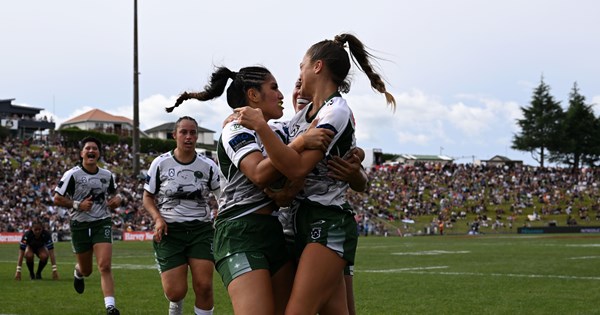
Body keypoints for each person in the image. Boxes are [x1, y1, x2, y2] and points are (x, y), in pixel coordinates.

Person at [235, 33, 395, 314]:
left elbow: (296, 167)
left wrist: (260, 126)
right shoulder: (305, 114)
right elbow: (275, 140)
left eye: (301, 67)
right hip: (301, 221)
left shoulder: (336, 112)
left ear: (317, 67)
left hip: (327, 218)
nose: (298, 75)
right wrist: (239, 122)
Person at [167, 65, 333, 315]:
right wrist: (300, 143)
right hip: (239, 231)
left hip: (273, 230)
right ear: (253, 95)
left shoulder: (278, 131)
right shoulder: (235, 129)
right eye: (274, 87)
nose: (281, 94)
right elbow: (259, 173)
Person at [142, 116, 220, 315]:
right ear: (174, 135)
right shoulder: (160, 163)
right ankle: (175, 305)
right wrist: (158, 219)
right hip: (170, 231)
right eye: (183, 132)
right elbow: (148, 197)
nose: (188, 137)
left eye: (193, 132)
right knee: (175, 292)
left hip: (200, 230)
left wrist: (221, 213)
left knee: (204, 286)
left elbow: (223, 196)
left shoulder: (208, 165)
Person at [53, 136, 123, 315]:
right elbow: (57, 198)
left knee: (105, 266)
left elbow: (115, 195)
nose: (91, 151)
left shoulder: (107, 175)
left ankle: (110, 307)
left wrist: (118, 200)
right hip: (80, 225)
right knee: (87, 270)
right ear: (82, 153)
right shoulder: (72, 174)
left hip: (102, 222)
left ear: (99, 153)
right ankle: (78, 272)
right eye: (88, 148)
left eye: (95, 148)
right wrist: (78, 205)